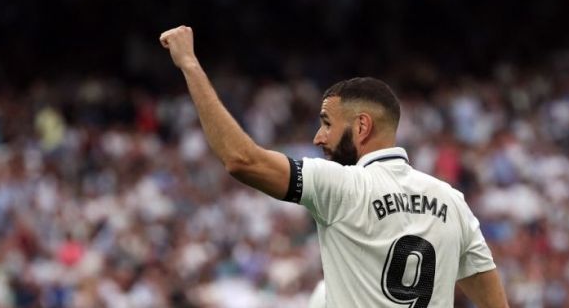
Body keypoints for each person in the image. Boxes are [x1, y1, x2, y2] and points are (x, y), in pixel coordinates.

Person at [159, 25, 509, 308]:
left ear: (361, 127)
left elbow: (241, 160)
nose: (318, 137)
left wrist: (189, 64)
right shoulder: (451, 201)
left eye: (326, 123)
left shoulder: (341, 186)